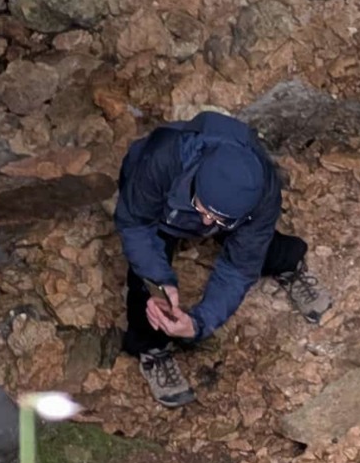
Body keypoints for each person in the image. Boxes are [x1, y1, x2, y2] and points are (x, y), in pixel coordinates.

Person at [114, 111, 332, 408]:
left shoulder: (262, 193)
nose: (206, 223)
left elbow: (238, 268)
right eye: (203, 209)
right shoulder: (163, 159)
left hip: (231, 214)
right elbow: (135, 225)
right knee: (145, 283)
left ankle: (288, 263)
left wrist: (198, 324)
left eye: (216, 219)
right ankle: (151, 347)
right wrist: (160, 281)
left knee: (257, 249)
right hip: (162, 212)